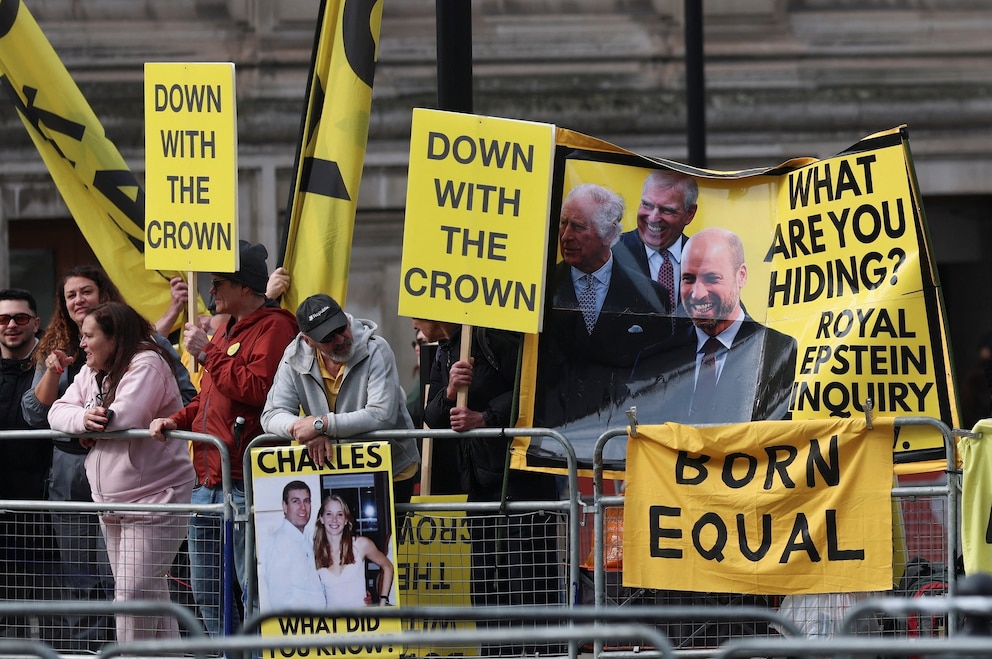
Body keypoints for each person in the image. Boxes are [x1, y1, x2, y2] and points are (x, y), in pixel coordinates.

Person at [21, 265, 195, 652]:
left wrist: (88, 424)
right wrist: (83, 418)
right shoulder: (92, 369)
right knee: (150, 595)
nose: (82, 344)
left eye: (89, 337)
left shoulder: (147, 360)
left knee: (131, 595)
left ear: (114, 338)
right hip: (113, 503)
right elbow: (53, 413)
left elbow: (124, 417)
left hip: (155, 500)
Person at [149, 240, 298, 636]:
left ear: (245, 288)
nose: (210, 292)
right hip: (208, 481)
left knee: (251, 589)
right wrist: (176, 418)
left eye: (218, 284)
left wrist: (206, 355)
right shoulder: (228, 328)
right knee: (208, 590)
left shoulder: (276, 326)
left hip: (245, 484)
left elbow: (258, 390)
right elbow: (210, 396)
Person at [417, 317, 561, 656]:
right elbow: (433, 417)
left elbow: (535, 386)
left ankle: (544, 652)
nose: (411, 322)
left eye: (416, 313)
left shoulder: (491, 337)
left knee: (528, 580)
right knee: (484, 581)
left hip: (521, 480)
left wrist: (486, 419)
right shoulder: (446, 350)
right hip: (479, 484)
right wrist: (450, 391)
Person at [261, 294, 420, 504]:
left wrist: (321, 425)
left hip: (391, 469)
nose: (341, 339)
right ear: (308, 341)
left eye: (341, 328)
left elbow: (381, 416)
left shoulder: (376, 349)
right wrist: (303, 429)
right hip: (335, 469)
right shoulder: (293, 357)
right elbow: (271, 414)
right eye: (328, 337)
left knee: (383, 537)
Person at [536, 183, 671, 429]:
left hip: (621, 436)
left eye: (577, 226)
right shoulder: (539, 291)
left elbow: (663, 378)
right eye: (563, 223)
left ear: (609, 234)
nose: (565, 236)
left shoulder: (651, 295)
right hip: (552, 437)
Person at [629, 226, 798, 424]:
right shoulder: (653, 360)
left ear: (741, 276)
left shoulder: (777, 351)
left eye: (711, 278)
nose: (698, 293)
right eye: (688, 279)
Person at [0, 289, 53, 638]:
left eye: (20, 318)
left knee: (44, 600)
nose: (11, 326)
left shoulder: (55, 364)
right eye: (3, 319)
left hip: (42, 506)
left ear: (36, 322)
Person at [613, 169, 699, 313]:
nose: (653, 218)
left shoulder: (705, 260)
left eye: (667, 210)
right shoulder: (611, 253)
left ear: (689, 213)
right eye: (647, 205)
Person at [314, 494, 394, 608]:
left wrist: (382, 602)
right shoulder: (314, 552)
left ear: (346, 519)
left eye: (340, 514)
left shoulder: (360, 544)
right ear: (321, 519)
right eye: (329, 514)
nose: (334, 519)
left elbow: (388, 566)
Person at [262, 480, 324, 610]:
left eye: (306, 501)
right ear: (285, 506)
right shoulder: (281, 543)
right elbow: (279, 600)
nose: (303, 507)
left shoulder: (306, 538)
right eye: (296, 501)